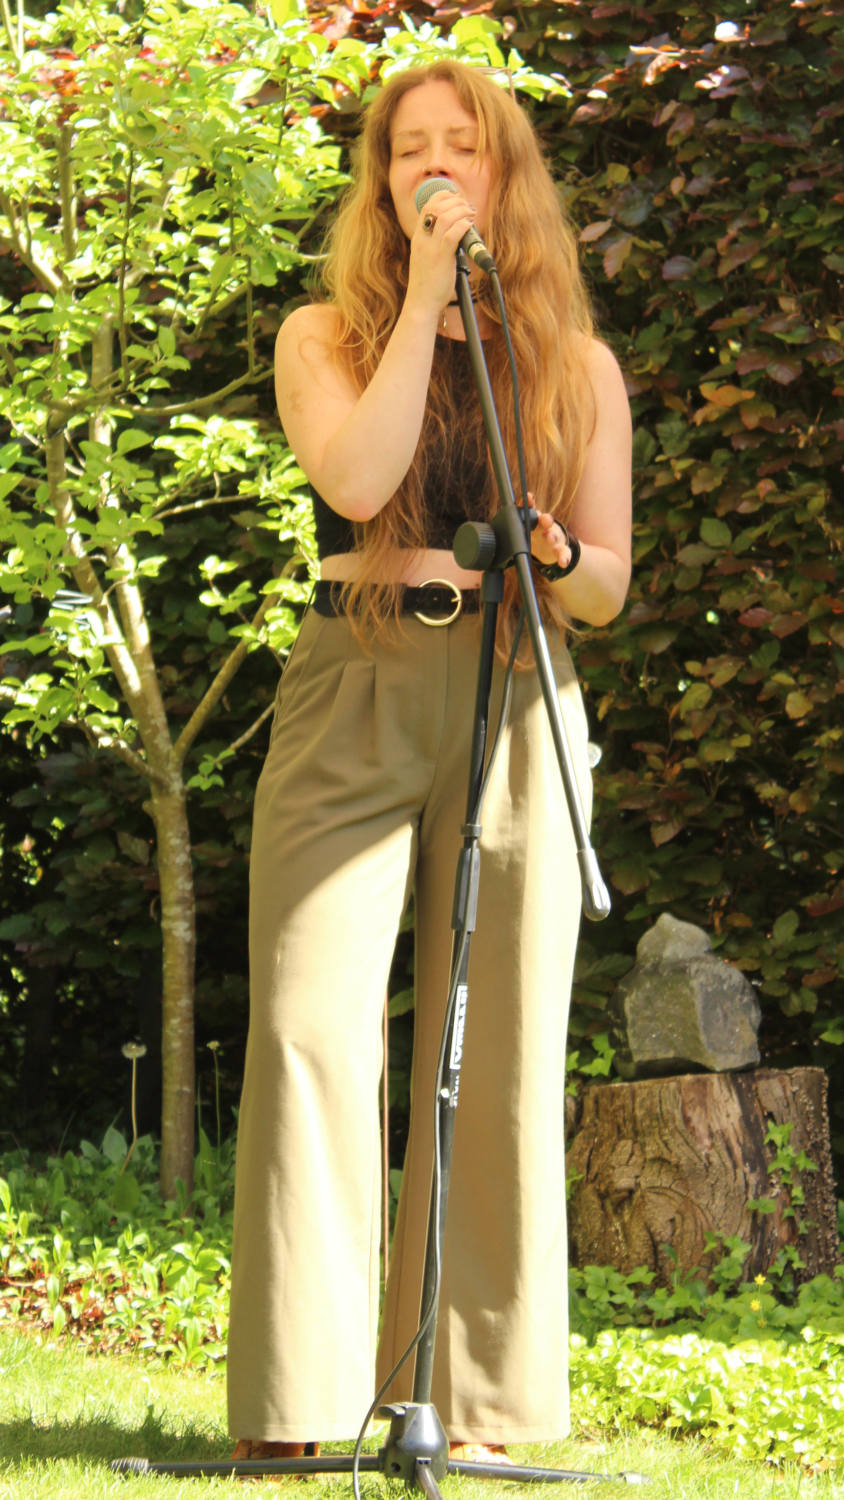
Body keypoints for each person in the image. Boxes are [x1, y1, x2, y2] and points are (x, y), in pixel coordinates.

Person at [227, 58, 631, 1466]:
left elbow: (608, 587)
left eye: (465, 143)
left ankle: (480, 1408)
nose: (438, 164)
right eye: (411, 150)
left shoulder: (575, 364)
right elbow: (357, 479)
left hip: (518, 685)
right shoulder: (324, 334)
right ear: (384, 181)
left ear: (506, 170)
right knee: (307, 1023)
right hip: (359, 673)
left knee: (501, 1046)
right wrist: (426, 304)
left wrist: (562, 556)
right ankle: (299, 1405)